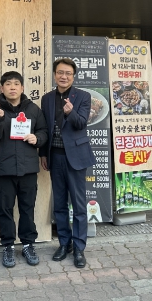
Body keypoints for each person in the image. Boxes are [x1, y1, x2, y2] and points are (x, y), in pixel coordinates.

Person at [0, 71, 48, 268]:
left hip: (28, 169)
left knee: (27, 209)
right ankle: (8, 246)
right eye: (8, 84)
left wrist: (38, 138)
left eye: (16, 84)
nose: (12, 87)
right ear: (1, 88)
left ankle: (28, 244)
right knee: (5, 210)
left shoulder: (33, 109)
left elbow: (43, 131)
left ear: (22, 88)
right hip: (5, 169)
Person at [40, 58, 96, 269]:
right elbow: (44, 128)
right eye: (60, 72)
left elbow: (81, 123)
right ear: (55, 74)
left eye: (68, 73)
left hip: (76, 157)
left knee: (79, 205)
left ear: (73, 76)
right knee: (60, 203)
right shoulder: (47, 99)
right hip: (54, 156)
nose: (64, 76)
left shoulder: (83, 96)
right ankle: (65, 243)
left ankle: (79, 247)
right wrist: (43, 154)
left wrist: (70, 112)